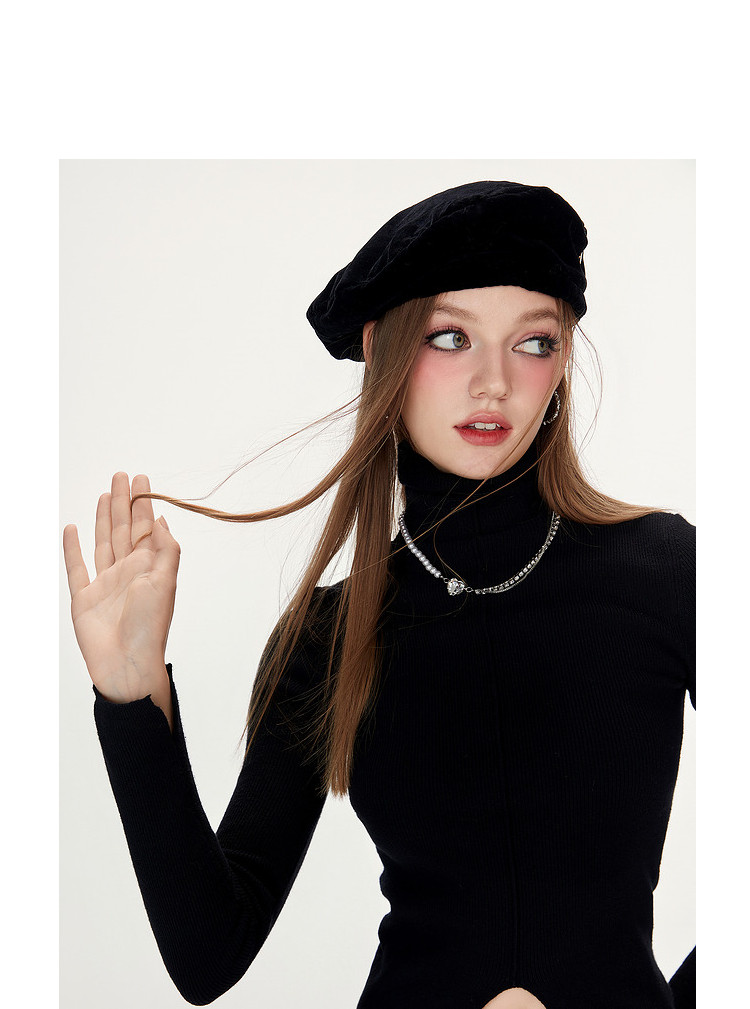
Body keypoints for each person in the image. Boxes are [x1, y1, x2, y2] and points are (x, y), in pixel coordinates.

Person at [62, 180, 695, 1009]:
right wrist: (131, 692)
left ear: (564, 358)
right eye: (451, 336)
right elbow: (208, 953)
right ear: (383, 347)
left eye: (532, 342)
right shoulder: (330, 631)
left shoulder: (667, 569)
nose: (494, 381)